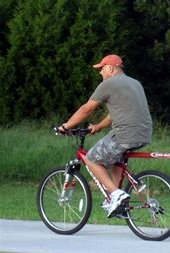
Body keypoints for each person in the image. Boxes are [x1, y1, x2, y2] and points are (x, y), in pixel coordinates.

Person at [59, 54, 153, 217]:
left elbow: (86, 110)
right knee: (116, 160)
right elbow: (117, 113)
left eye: (101, 69)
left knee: (91, 158)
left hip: (125, 134)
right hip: (144, 133)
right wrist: (98, 126)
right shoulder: (135, 83)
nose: (100, 73)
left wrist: (65, 126)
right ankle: (116, 202)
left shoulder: (108, 84)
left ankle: (117, 194)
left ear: (110, 68)